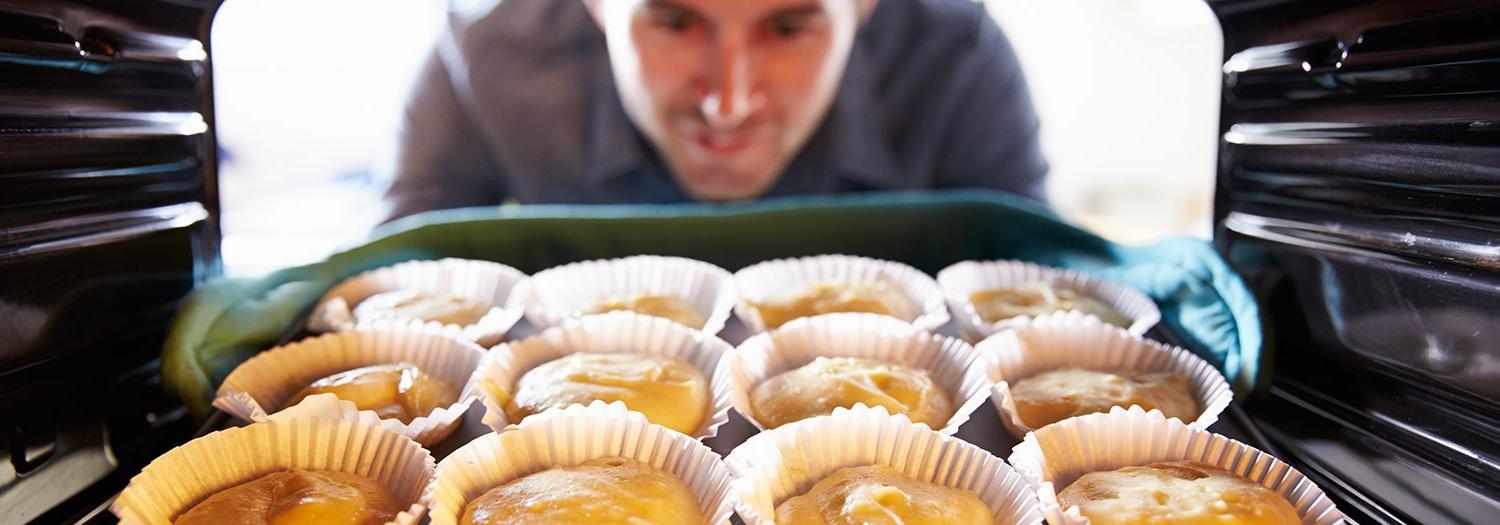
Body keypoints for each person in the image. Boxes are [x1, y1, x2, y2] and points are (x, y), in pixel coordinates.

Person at [384, 0, 1047, 220]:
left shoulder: (957, 60)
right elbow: (390, 292)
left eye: (787, 29)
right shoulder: (490, 53)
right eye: (674, 22)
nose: (728, 105)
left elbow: (1036, 295)